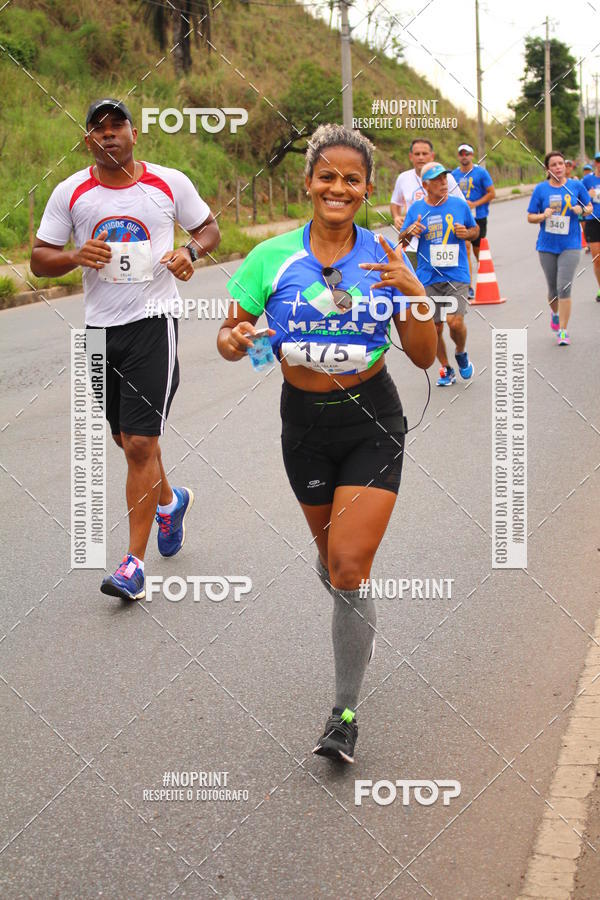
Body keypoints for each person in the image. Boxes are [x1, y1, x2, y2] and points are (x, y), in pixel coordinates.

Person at [218, 124, 436, 763]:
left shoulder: (384, 257)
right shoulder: (272, 258)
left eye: (352, 179)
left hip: (372, 419)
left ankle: (343, 713)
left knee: (347, 567)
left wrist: (415, 293)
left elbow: (424, 358)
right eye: (327, 176)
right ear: (308, 183)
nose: (338, 187)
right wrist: (234, 340)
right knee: (335, 565)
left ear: (368, 189)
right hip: (304, 427)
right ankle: (351, 595)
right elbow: (240, 339)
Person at [31, 98, 220, 600]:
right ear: (87, 140)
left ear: (135, 135)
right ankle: (171, 501)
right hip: (99, 331)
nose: (108, 134)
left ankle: (133, 566)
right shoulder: (71, 192)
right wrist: (74, 255)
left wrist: (189, 252)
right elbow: (38, 259)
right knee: (126, 440)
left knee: (139, 444)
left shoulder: (167, 183)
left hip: (152, 323)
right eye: (98, 128)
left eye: (118, 126)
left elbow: (208, 229)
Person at [398, 161, 479, 386]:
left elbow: (475, 231)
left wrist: (467, 233)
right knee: (434, 327)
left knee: (454, 322)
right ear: (425, 185)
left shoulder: (458, 206)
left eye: (444, 178)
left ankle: (461, 353)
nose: (443, 182)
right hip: (427, 275)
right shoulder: (416, 209)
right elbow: (402, 241)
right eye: (437, 180)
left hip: (457, 273)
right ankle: (445, 367)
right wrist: (409, 231)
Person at [527, 151, 592, 344]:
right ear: (547, 169)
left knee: (564, 287)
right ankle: (555, 314)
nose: (558, 167)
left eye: (561, 163)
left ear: (566, 166)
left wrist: (582, 210)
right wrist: (542, 215)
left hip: (570, 244)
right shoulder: (541, 190)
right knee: (552, 290)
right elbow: (530, 216)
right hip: (546, 246)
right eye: (554, 164)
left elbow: (589, 207)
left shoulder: (575, 186)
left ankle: (563, 330)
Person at [390, 138, 459, 269]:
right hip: (413, 244)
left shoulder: (447, 178)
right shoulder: (403, 178)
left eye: (425, 153)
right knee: (416, 283)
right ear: (411, 157)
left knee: (447, 281)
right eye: (417, 154)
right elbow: (395, 203)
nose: (421, 157)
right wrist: (396, 217)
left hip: (442, 241)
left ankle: (467, 288)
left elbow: (460, 205)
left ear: (432, 156)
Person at [451, 143, 495, 298]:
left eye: (467, 153)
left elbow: (491, 193)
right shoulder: (453, 175)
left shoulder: (481, 173)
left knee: (478, 251)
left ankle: (485, 277)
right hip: (460, 217)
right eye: (461, 153)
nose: (464, 156)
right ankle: (468, 286)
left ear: (472, 155)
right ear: (458, 156)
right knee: (466, 248)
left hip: (478, 215)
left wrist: (475, 204)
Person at [582, 153, 600, 300]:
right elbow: (578, 198)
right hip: (593, 221)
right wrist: (588, 194)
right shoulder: (587, 180)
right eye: (599, 161)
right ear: (595, 163)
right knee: (597, 259)